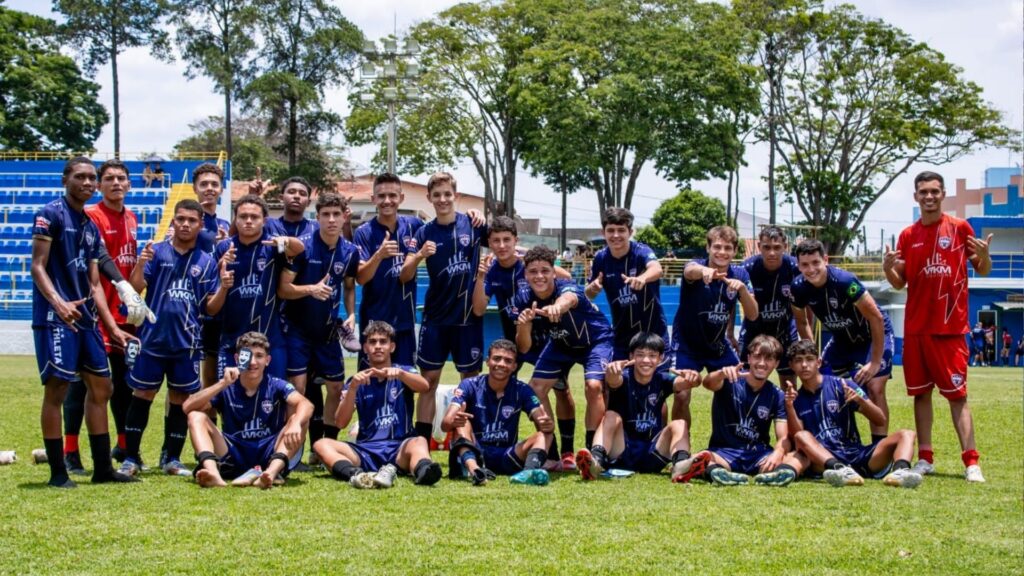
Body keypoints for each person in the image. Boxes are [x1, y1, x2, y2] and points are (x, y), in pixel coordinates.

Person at [30, 157, 139, 487]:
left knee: (102, 387)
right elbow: (37, 266)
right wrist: (59, 303)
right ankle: (59, 471)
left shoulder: (90, 227)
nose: (88, 183)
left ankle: (103, 469)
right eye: (81, 177)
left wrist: (113, 327)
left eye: (92, 177)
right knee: (58, 389)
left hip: (88, 320)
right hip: (56, 318)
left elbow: (94, 285)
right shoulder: (50, 214)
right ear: (66, 179)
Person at [883, 170, 992, 482]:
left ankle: (971, 462)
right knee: (921, 394)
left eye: (934, 191)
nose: (929, 197)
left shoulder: (959, 229)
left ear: (943, 194)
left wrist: (985, 257)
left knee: (958, 396)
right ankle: (926, 457)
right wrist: (888, 269)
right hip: (917, 328)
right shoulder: (907, 236)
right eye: (923, 192)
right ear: (916, 197)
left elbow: (982, 270)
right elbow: (899, 282)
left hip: (950, 329)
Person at [117, 200, 231, 478]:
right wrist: (141, 264)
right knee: (143, 395)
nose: (185, 224)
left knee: (181, 399)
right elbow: (135, 288)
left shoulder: (205, 261)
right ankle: (131, 457)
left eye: (192, 220)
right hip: (153, 339)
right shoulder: (156, 252)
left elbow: (210, 308)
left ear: (200, 225)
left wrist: (225, 288)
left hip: (187, 342)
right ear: (173, 221)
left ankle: (172, 458)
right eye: (180, 219)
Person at [471, 216, 578, 470]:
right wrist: (480, 278)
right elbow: (478, 309)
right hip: (517, 341)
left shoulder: (528, 265)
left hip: (549, 339)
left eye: (506, 240)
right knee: (510, 390)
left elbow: (565, 276)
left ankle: (568, 451)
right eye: (495, 240)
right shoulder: (492, 271)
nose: (501, 245)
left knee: (561, 389)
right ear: (490, 243)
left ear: (515, 241)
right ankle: (545, 450)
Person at [62, 160, 140, 473]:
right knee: (82, 384)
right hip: (93, 314)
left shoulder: (132, 217)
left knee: (123, 384)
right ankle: (71, 451)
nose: (116, 183)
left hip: (122, 315)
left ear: (129, 185)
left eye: (121, 178)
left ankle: (122, 446)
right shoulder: (91, 216)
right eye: (109, 178)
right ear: (100, 185)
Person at [401, 172, 486, 439]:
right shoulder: (423, 231)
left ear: (455, 196)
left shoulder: (474, 224)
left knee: (470, 384)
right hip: (436, 319)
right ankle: (421, 443)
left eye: (447, 194)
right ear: (429, 198)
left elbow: (504, 242)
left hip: (467, 319)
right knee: (429, 383)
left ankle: (469, 442)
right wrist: (418, 256)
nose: (442, 199)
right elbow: (404, 274)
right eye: (436, 195)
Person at [313, 321, 442, 488]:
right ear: (365, 348)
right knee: (320, 444)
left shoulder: (404, 371)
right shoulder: (356, 381)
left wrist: (401, 375)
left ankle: (424, 471)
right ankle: (357, 475)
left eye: (383, 341)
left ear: (392, 347)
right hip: (366, 450)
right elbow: (340, 422)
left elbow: (425, 387)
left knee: (419, 441)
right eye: (372, 342)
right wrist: (352, 389)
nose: (378, 346)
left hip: (399, 447)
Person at [278, 192, 359, 457]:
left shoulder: (350, 251)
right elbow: (283, 289)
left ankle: (325, 446)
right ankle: (293, 452)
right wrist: (310, 289)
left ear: (345, 216)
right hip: (298, 329)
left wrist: (351, 313)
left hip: (327, 331)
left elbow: (349, 285)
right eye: (326, 214)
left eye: (337, 214)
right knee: (298, 388)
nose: (332, 220)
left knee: (336, 387)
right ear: (318, 216)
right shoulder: (302, 247)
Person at [790, 238, 895, 442]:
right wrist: (811, 353)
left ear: (826, 260)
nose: (811, 269)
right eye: (805, 264)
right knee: (818, 380)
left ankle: (879, 447)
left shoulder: (845, 282)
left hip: (871, 335)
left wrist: (874, 363)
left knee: (875, 387)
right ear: (798, 265)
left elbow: (876, 318)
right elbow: (802, 323)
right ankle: (834, 439)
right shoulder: (798, 288)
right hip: (842, 339)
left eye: (815, 263)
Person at [513, 245, 614, 451]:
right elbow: (523, 348)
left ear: (554, 272)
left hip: (596, 341)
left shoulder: (567, 287)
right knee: (535, 388)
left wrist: (557, 307)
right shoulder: (523, 298)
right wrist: (524, 324)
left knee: (594, 386)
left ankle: (593, 451)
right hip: (561, 344)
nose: (539, 276)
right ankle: (550, 450)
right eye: (533, 271)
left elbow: (568, 299)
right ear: (525, 274)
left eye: (545, 271)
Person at [785, 339, 922, 488]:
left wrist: (861, 402)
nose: (804, 365)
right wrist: (790, 407)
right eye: (798, 361)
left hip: (856, 454)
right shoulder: (795, 399)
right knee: (801, 436)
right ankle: (839, 469)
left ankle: (900, 472)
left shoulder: (843, 385)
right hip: (825, 460)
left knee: (906, 434)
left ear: (818, 362)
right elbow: (798, 439)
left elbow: (880, 420)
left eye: (809, 359)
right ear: (792, 366)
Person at [184, 332, 312, 488]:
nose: (253, 362)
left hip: (268, 452)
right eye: (247, 356)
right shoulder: (227, 386)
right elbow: (187, 407)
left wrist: (295, 423)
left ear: (267, 360)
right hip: (232, 452)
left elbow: (306, 404)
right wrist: (222, 384)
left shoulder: (277, 384)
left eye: (259, 356)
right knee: (196, 416)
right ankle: (213, 474)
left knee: (300, 420)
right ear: (237, 359)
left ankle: (270, 473)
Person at [673, 335, 799, 487]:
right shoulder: (729, 379)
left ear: (777, 363)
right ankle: (715, 472)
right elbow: (708, 383)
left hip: (759, 455)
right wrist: (721, 374)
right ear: (749, 358)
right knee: (704, 458)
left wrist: (778, 453)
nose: (761, 363)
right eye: (757, 357)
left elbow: (783, 436)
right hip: (723, 453)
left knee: (796, 456)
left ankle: (780, 472)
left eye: (769, 359)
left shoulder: (777, 395)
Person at [574, 333, 700, 481]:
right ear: (631, 356)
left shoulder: (662, 379)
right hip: (622, 451)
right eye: (640, 355)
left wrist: (694, 378)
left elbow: (689, 383)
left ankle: (680, 466)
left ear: (660, 359)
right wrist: (612, 372)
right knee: (611, 416)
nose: (646, 360)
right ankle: (595, 462)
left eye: (652, 355)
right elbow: (613, 380)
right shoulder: (624, 377)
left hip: (653, 452)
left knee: (680, 424)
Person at [670, 226, 758, 430]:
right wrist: (704, 271)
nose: (722, 252)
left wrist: (743, 290)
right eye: (717, 247)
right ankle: (680, 451)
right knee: (682, 394)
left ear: (735, 251)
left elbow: (753, 315)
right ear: (708, 248)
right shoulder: (696, 266)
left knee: (738, 388)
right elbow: (689, 271)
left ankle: (729, 444)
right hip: (686, 345)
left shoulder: (741, 274)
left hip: (717, 346)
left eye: (728, 248)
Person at [214, 195, 304, 379]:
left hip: (270, 338)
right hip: (233, 339)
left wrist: (285, 240)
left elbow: (300, 248)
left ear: (264, 220)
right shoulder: (224, 248)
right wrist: (220, 265)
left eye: (254, 217)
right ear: (235, 219)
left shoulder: (273, 245)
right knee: (229, 395)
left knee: (273, 395)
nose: (248, 221)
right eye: (243, 216)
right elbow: (212, 288)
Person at [441, 339, 554, 486]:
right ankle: (475, 471)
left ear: (514, 366)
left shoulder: (522, 389)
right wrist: (454, 420)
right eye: (496, 359)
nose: (501, 364)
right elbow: (445, 425)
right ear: (487, 361)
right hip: (476, 452)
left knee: (545, 435)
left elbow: (544, 423)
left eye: (508, 361)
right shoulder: (469, 385)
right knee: (462, 422)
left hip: (507, 455)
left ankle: (528, 473)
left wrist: (547, 425)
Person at [353, 173, 424, 368]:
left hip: (404, 322)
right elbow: (360, 278)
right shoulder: (363, 232)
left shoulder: (415, 226)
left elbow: (441, 228)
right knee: (370, 383)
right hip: (374, 323)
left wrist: (471, 214)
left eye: (392, 195)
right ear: (373, 199)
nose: (387, 201)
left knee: (406, 383)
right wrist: (379, 255)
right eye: (381, 196)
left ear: (401, 198)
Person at [585, 208, 668, 362]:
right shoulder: (600, 259)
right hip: (622, 336)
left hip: (654, 331)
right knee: (614, 381)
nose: (616, 235)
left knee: (665, 382)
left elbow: (657, 269)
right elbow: (588, 294)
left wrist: (642, 278)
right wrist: (594, 287)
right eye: (611, 230)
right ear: (603, 233)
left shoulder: (641, 251)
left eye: (621, 230)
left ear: (630, 232)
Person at [740, 225, 800, 388]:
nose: (772, 252)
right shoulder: (747, 268)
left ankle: (789, 412)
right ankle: (746, 411)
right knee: (745, 379)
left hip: (785, 330)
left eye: (777, 247)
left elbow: (804, 303)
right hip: (753, 330)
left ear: (785, 247)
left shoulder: (796, 267)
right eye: (766, 247)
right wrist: (730, 332)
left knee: (789, 381)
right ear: (759, 247)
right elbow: (731, 298)